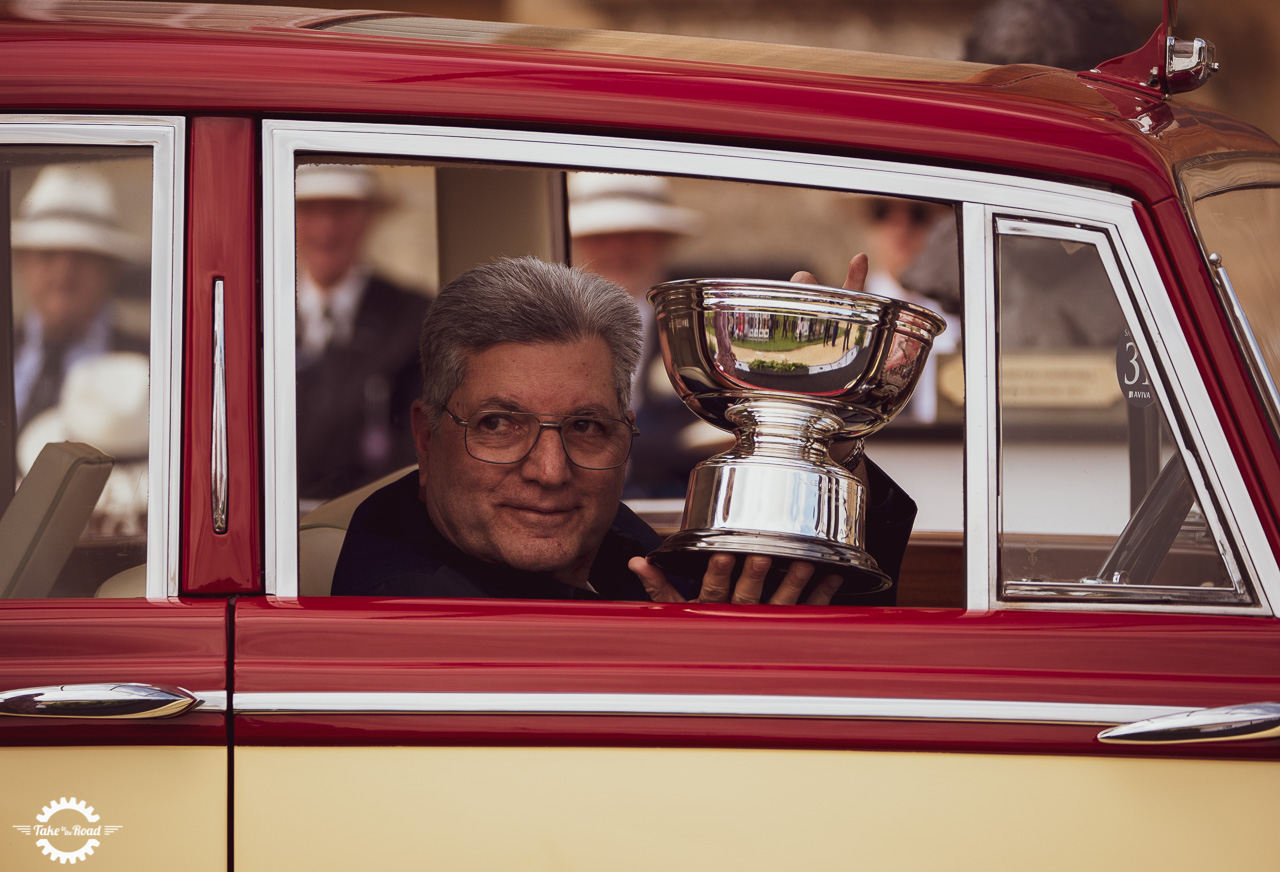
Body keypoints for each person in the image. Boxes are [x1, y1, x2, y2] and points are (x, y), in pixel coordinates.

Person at [333, 254, 916, 605]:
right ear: (427, 437)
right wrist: (705, 677)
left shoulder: (594, 537)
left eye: (587, 426)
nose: (551, 471)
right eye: (499, 425)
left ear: (625, 433)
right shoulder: (411, 603)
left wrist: (816, 428)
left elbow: (777, 594)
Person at [293, 163, 430, 500]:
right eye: (310, 210)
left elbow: (417, 440)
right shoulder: (257, 312)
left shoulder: (412, 316)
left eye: (341, 210)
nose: (326, 228)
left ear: (367, 218)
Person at [568, 172, 707, 499]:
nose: (618, 249)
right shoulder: (547, 326)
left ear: (663, 241)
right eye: (601, 236)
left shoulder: (702, 324)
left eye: (634, 235)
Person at [11, 165, 148, 438]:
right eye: (48, 255)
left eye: (82, 257)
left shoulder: (150, 368)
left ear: (112, 269)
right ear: (22, 262)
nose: (63, 274)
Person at [859, 197, 959, 423]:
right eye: (882, 212)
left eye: (917, 215)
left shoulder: (961, 320)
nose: (900, 227)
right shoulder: (847, 317)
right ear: (871, 228)